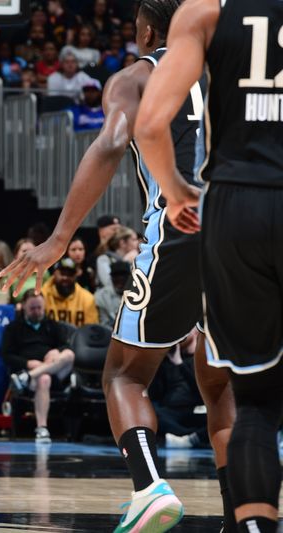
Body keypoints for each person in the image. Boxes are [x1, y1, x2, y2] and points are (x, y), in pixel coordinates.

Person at [0, 2, 235, 531]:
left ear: (148, 31)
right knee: (222, 386)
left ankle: (150, 487)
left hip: (183, 222)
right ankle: (239, 512)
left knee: (124, 375)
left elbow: (109, 143)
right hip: (245, 229)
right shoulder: (237, 68)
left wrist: (59, 237)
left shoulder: (140, 73)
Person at [134, 0, 281, 530]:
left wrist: (176, 193)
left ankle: (254, 526)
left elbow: (150, 125)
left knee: (254, 398)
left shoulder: (204, 12)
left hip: (236, 205)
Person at [3, 291, 75, 444]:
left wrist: (56, 351)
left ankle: (27, 377)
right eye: (32, 308)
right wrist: (28, 364)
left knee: (69, 354)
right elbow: (7, 355)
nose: (36, 312)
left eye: (39, 308)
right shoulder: (13, 328)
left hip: (55, 372)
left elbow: (65, 345)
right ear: (23, 308)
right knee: (44, 378)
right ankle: (42, 428)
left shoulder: (52, 325)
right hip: (32, 374)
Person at [40, 257, 98, 327]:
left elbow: (91, 331)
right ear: (54, 273)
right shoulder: (42, 296)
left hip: (78, 337)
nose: (65, 278)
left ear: (76, 276)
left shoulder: (87, 299)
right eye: (62, 273)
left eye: (69, 274)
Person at [94, 259, 130, 328]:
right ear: (111, 277)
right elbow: (103, 324)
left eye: (123, 276)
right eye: (116, 276)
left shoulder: (140, 295)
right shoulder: (101, 296)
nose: (120, 279)